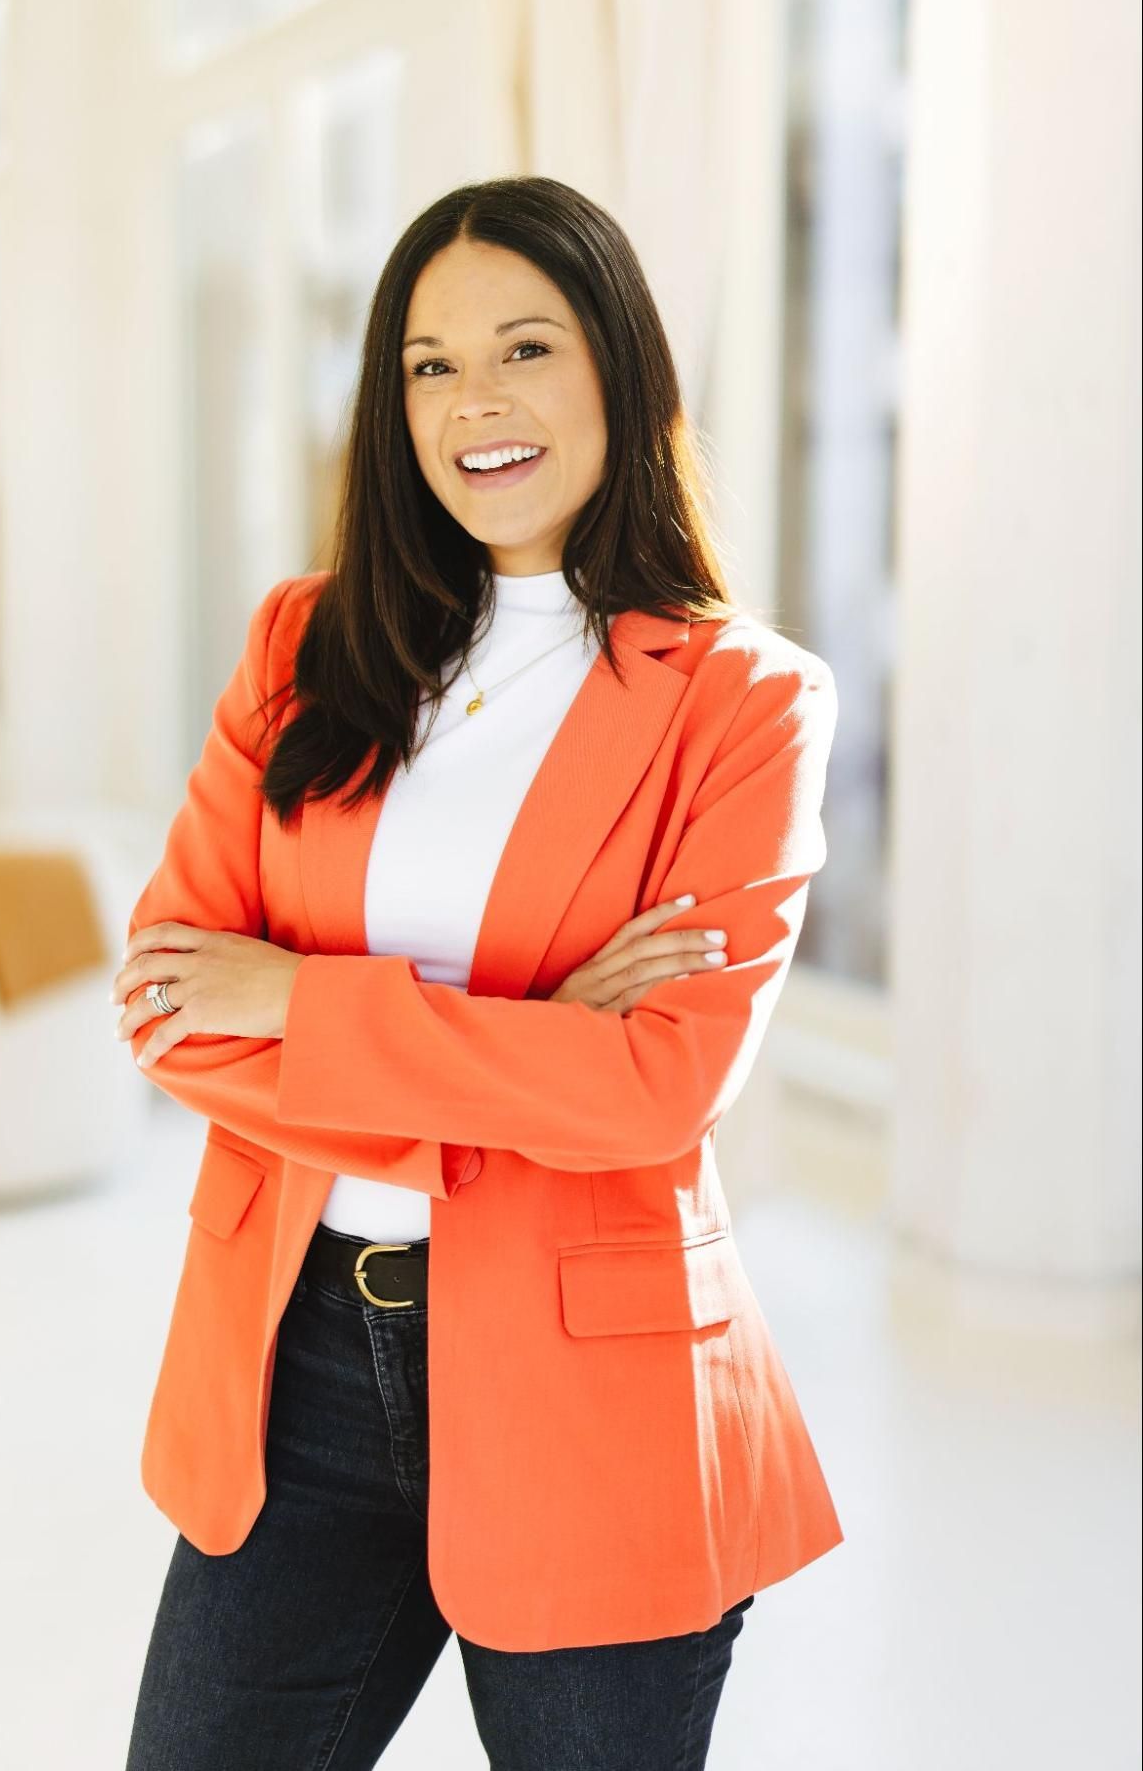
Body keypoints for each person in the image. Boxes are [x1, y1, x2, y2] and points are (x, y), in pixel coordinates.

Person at [115, 175, 843, 1769]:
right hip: (296, 1356)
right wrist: (526, 1050)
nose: (474, 402)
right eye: (429, 364)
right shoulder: (301, 649)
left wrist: (300, 1002)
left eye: (526, 347)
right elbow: (168, 1005)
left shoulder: (745, 703)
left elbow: (658, 1088)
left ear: (621, 373)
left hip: (597, 1388)